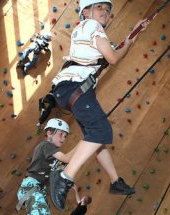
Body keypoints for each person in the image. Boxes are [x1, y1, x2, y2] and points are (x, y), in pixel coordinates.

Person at [49, 0, 150, 211]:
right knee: (101, 130)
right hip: (75, 88)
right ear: (86, 12)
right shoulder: (91, 26)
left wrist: (134, 32)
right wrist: (129, 39)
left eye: (107, 9)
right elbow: (113, 57)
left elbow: (115, 50)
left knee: (96, 139)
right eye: (99, 7)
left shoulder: (87, 34)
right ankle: (65, 176)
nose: (105, 12)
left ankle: (115, 181)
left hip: (71, 90)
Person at [16, 118, 76, 215]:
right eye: (61, 134)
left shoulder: (53, 155)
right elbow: (67, 159)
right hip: (31, 187)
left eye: (65, 136)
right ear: (49, 133)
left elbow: (64, 167)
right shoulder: (46, 145)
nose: (63, 138)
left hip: (38, 189)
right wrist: (83, 144)